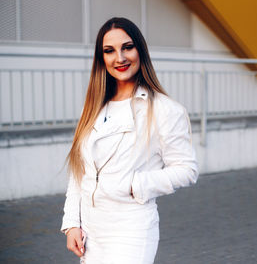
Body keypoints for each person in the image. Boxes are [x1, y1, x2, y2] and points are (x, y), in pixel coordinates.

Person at [60, 17, 198, 263]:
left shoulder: (164, 109)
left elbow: (187, 170)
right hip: (91, 233)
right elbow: (79, 172)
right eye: (109, 51)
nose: (120, 58)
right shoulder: (94, 107)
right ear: (101, 58)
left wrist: (136, 185)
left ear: (140, 50)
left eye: (127, 47)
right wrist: (71, 224)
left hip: (131, 231)